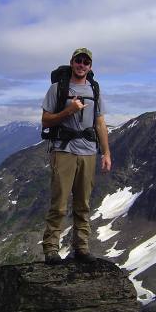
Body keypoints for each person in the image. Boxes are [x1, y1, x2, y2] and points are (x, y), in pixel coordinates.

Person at [41, 47, 111, 264]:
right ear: (72, 63)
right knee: (59, 203)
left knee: (83, 203)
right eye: (78, 61)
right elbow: (46, 120)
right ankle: (51, 249)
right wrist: (68, 111)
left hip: (88, 152)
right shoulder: (57, 89)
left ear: (90, 66)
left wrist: (106, 152)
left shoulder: (95, 89)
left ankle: (81, 247)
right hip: (63, 150)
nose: (82, 65)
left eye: (86, 62)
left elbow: (100, 123)